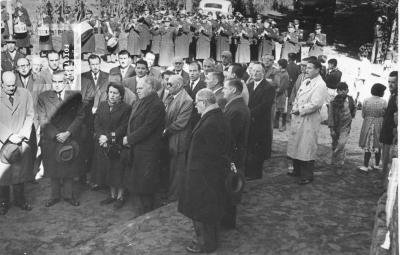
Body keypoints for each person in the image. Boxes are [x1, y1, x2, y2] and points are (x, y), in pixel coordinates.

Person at [178, 88, 231, 253]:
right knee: (206, 211)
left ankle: (205, 244)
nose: (195, 106)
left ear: (204, 102)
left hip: (204, 177)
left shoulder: (211, 122)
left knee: (202, 211)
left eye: (197, 103)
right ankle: (208, 241)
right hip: (206, 175)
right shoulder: (216, 117)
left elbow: (213, 154)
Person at [37, 70, 85, 207]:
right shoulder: (43, 97)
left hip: (69, 137)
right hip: (52, 139)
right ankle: (55, 196)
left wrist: (68, 133)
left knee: (69, 166)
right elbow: (43, 118)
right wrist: (56, 134)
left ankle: (69, 196)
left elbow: (80, 116)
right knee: (53, 168)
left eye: (60, 82)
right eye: (54, 82)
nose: (57, 85)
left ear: (66, 82)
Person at [123, 77, 165, 215]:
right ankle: (142, 211)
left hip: (148, 151)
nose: (137, 90)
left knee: (145, 184)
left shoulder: (156, 105)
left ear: (150, 88)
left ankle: (145, 214)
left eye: (140, 88)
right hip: (139, 148)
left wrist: (129, 139)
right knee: (139, 182)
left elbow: (147, 128)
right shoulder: (142, 101)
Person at [287, 59, 328, 185]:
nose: (306, 70)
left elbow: (316, 104)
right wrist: (294, 108)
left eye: (310, 68)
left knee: (307, 146)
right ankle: (297, 170)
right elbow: (298, 97)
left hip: (309, 119)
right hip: (298, 118)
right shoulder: (306, 81)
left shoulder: (320, 85)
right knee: (296, 144)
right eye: (306, 67)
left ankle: (307, 175)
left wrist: (300, 110)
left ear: (317, 69)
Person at [0, 71, 35, 215]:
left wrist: (22, 134)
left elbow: (30, 114)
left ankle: (21, 200)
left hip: (21, 139)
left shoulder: (25, 94)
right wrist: (8, 136)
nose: (11, 87)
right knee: (3, 174)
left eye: (14, 84)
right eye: (8, 85)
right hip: (3, 142)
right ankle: (3, 202)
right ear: (2, 84)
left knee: (20, 172)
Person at [92, 83, 132, 209]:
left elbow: (123, 127)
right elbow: (97, 123)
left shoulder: (126, 108)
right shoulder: (103, 105)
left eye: (115, 93)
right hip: (103, 144)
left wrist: (108, 138)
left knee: (118, 171)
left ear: (121, 95)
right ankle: (112, 195)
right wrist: (101, 137)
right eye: (110, 92)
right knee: (108, 169)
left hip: (117, 144)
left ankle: (120, 197)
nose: (112, 95)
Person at [221, 79, 250, 229]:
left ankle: (227, 223)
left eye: (225, 89)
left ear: (233, 90)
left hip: (232, 156)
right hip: (234, 154)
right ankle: (226, 221)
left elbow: (230, 136)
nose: (223, 91)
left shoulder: (236, 109)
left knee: (229, 188)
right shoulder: (236, 105)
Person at [163, 75, 193, 200]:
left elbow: (181, 123)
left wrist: (165, 130)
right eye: (167, 83)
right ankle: (170, 193)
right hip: (170, 138)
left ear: (179, 85)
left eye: (170, 84)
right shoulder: (170, 97)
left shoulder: (187, 100)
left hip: (178, 140)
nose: (167, 86)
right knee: (171, 168)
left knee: (177, 170)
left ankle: (174, 197)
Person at [245, 63, 275, 180]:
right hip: (250, 121)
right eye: (253, 71)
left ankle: (256, 173)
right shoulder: (249, 85)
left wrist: (249, 113)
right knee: (250, 146)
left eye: (258, 71)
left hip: (260, 122)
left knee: (258, 148)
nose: (255, 73)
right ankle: (249, 171)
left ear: (263, 73)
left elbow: (264, 106)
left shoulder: (268, 87)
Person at [327, 82, 356, 175]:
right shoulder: (333, 102)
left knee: (341, 144)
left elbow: (353, 110)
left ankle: (339, 165)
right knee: (335, 143)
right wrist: (331, 129)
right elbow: (330, 116)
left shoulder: (350, 100)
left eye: (345, 89)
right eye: (340, 90)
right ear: (337, 91)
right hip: (335, 126)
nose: (343, 92)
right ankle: (335, 159)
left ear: (348, 90)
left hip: (345, 127)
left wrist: (350, 117)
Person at [358, 83, 387, 173]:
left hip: (368, 124)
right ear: (381, 92)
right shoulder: (384, 102)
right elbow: (385, 114)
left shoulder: (366, 100)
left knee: (368, 145)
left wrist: (369, 118)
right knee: (378, 145)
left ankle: (366, 165)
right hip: (379, 124)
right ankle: (377, 165)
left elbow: (363, 114)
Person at [380, 71, 398, 188]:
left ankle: (385, 187)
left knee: (389, 162)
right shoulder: (392, 95)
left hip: (392, 135)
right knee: (384, 160)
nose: (390, 85)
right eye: (389, 82)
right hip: (386, 132)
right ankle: (383, 184)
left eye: (394, 82)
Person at [274, 59, 290, 131]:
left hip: (282, 94)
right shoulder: (278, 73)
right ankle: (276, 124)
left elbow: (282, 87)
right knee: (277, 109)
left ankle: (284, 126)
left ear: (281, 66)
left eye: (278, 65)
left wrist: (276, 93)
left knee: (283, 110)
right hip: (277, 93)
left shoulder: (285, 75)